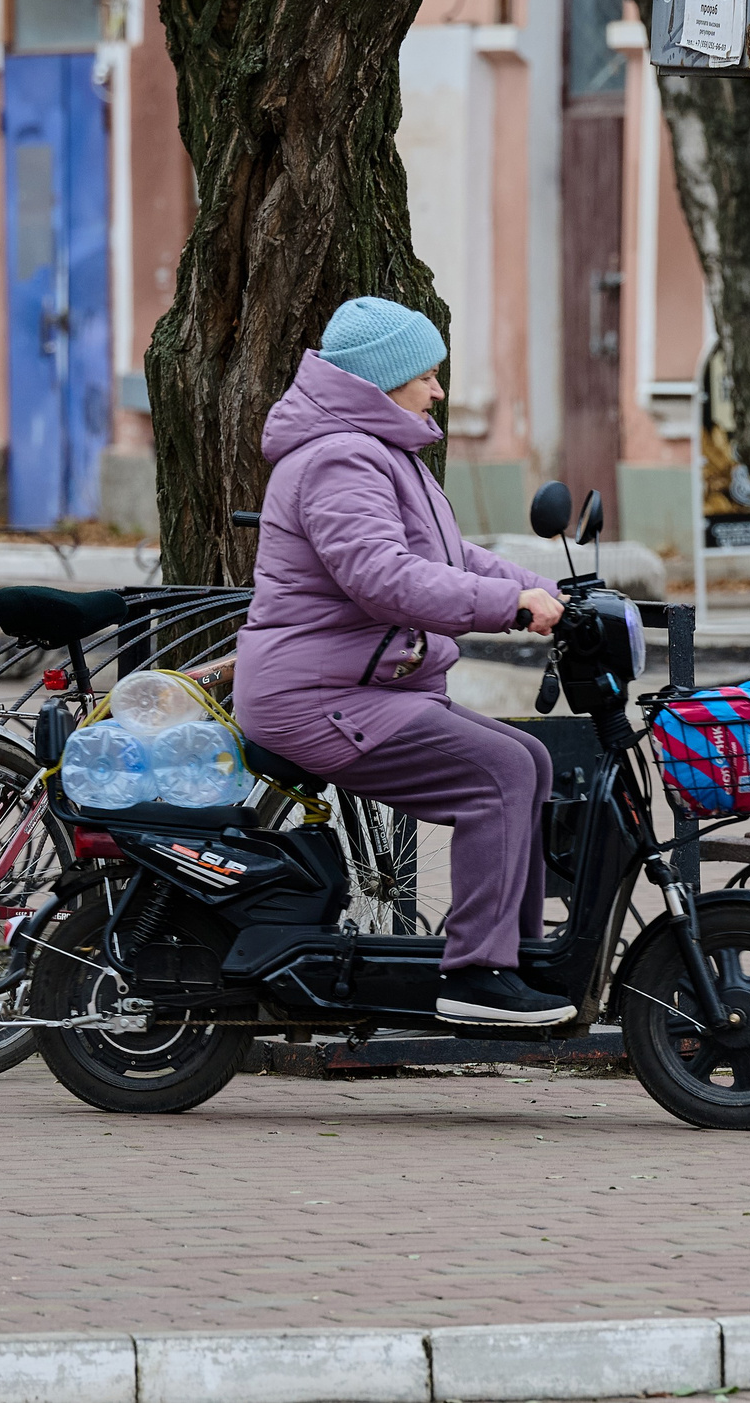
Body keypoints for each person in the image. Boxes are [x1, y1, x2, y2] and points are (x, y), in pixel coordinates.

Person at [234, 297, 570, 1026]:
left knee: (532, 760)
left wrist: (538, 588)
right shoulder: (339, 457)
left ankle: (519, 953)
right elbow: (384, 577)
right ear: (384, 379)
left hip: (361, 684)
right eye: (428, 374)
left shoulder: (382, 451)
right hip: (319, 697)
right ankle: (475, 973)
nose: (439, 390)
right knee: (500, 772)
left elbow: (448, 557)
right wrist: (507, 606)